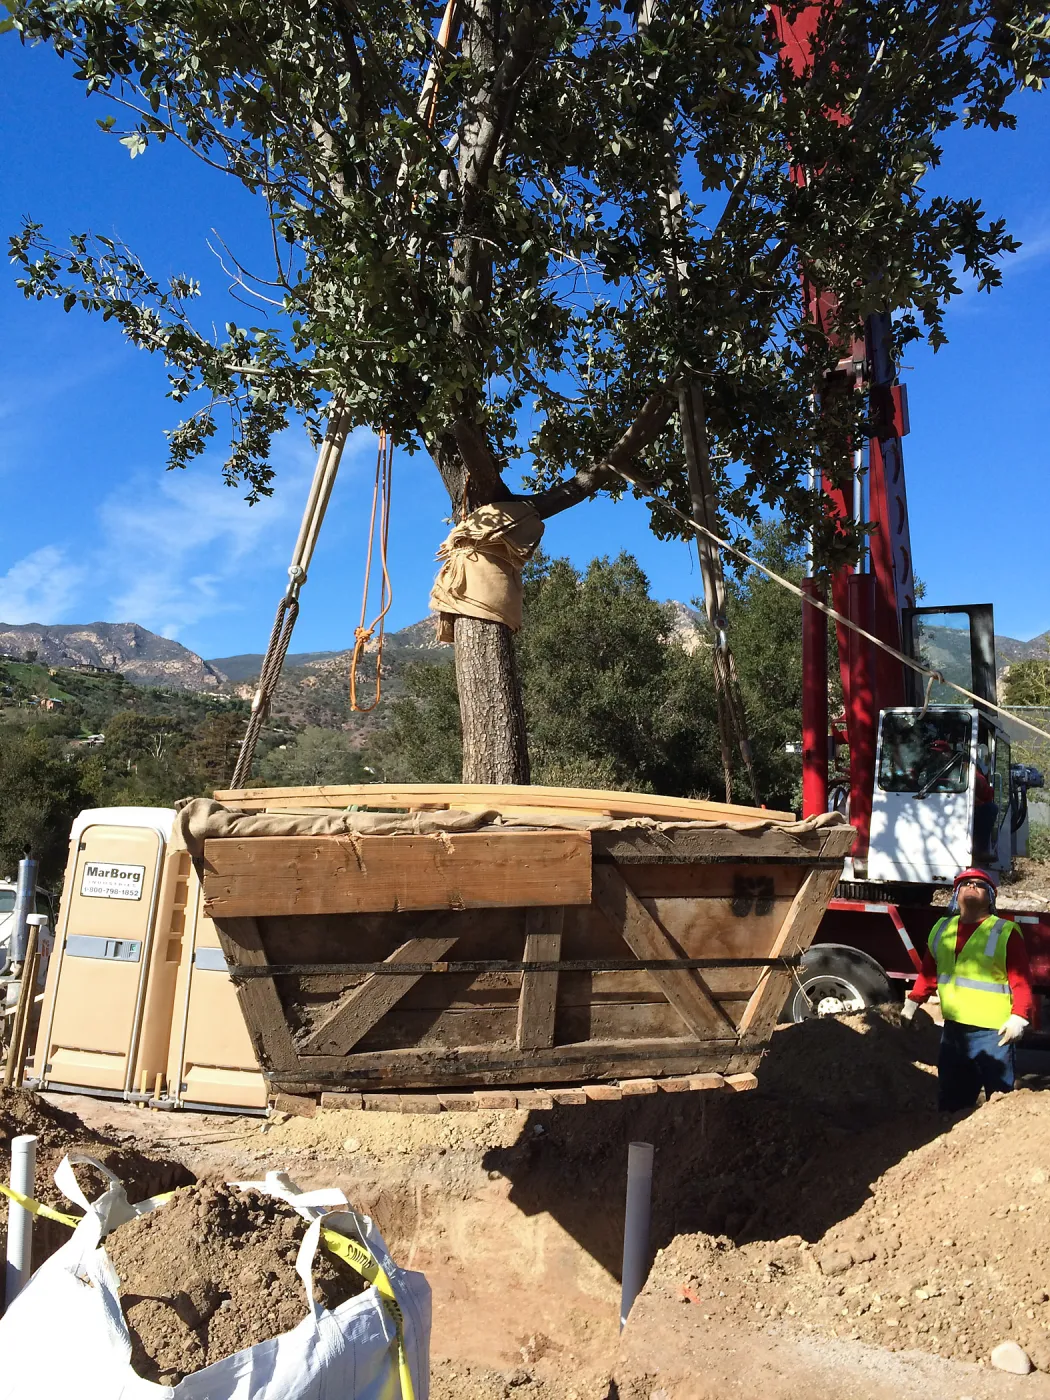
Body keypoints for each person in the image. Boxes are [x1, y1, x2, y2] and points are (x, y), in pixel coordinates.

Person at [901, 867, 1032, 1112]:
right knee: (952, 1099)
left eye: (979, 885)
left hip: (994, 1034)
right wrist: (913, 1002)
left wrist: (1020, 1016)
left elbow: (1021, 980)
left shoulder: (1004, 931)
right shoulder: (942, 928)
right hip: (954, 1033)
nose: (972, 887)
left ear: (990, 898)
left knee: (999, 1103)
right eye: (966, 884)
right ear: (956, 894)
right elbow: (930, 972)